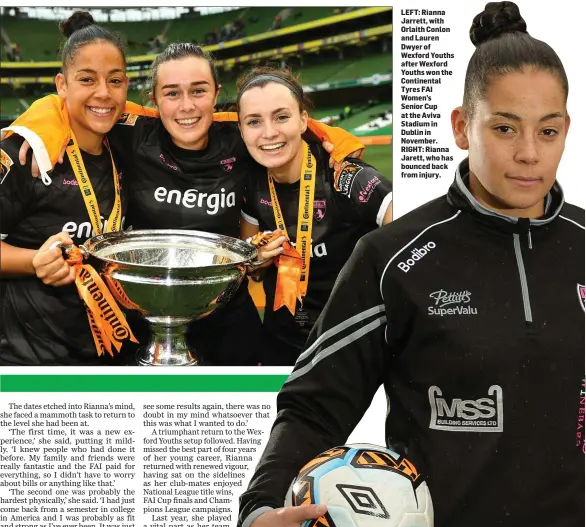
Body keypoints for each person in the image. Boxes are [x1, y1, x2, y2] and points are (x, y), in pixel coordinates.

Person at [237, 3, 584, 527]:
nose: (528, 153)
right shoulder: (394, 258)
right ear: (462, 126)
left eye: (548, 131)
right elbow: (314, 405)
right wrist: (258, 514)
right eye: (504, 127)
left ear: (567, 130)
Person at [4, 33, 363, 366]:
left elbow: (289, 125)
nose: (186, 106)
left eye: (199, 90)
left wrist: (338, 141)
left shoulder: (240, 137)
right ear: (154, 101)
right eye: (172, 93)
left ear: (216, 93)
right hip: (143, 323)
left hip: (228, 324)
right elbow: (76, 104)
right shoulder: (130, 134)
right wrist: (42, 124)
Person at [237, 66, 393, 365]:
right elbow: (252, 267)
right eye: (254, 121)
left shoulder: (344, 176)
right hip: (279, 347)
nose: (269, 132)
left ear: (303, 121)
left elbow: (415, 240)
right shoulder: (251, 182)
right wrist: (255, 258)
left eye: (281, 117)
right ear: (242, 130)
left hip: (347, 349)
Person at [0, 12, 130, 366]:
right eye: (86, 79)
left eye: (115, 80)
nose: (103, 93)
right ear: (62, 85)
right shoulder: (27, 153)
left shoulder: (127, 146)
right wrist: (32, 262)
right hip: (31, 360)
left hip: (110, 353)